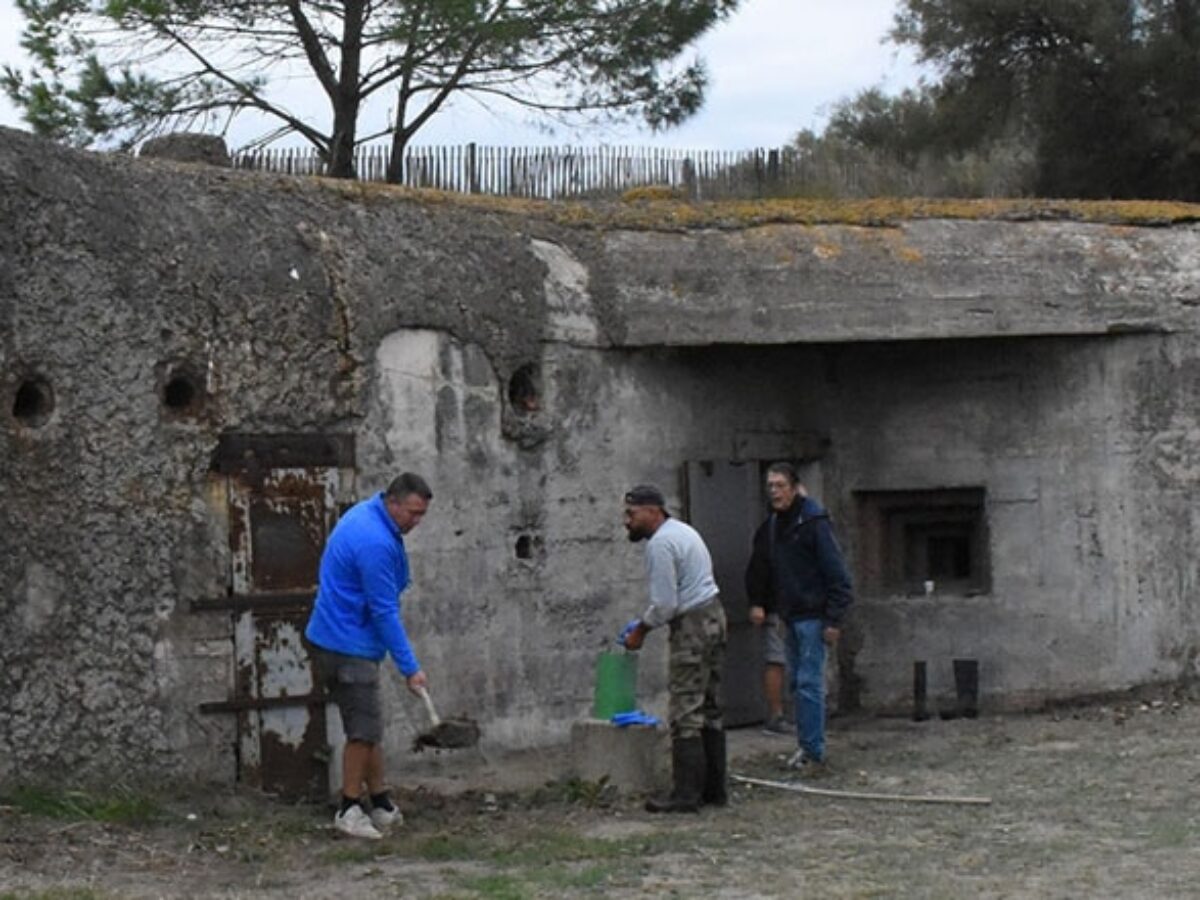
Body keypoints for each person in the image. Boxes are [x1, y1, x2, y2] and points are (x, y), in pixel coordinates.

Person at [305, 473, 433, 839]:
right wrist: (411, 668)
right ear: (393, 503)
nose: (416, 522)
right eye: (412, 513)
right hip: (349, 646)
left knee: (370, 725)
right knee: (362, 733)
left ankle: (380, 802)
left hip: (335, 636)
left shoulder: (366, 513)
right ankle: (348, 809)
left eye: (422, 514)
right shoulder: (375, 542)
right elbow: (383, 611)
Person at [620, 484, 728, 813]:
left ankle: (686, 794)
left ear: (653, 511)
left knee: (686, 709)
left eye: (631, 513)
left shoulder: (661, 544)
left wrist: (640, 629)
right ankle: (714, 789)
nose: (627, 521)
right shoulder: (684, 531)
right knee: (711, 705)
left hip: (693, 625)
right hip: (714, 614)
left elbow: (665, 605)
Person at [745, 462, 853, 774]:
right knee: (797, 682)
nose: (775, 492)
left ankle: (814, 752)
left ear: (794, 488)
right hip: (791, 616)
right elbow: (771, 569)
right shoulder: (776, 525)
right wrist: (772, 607)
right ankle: (805, 746)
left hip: (814, 615)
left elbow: (838, 576)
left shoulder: (813, 523)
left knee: (809, 683)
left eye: (780, 486)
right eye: (770, 486)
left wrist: (833, 620)